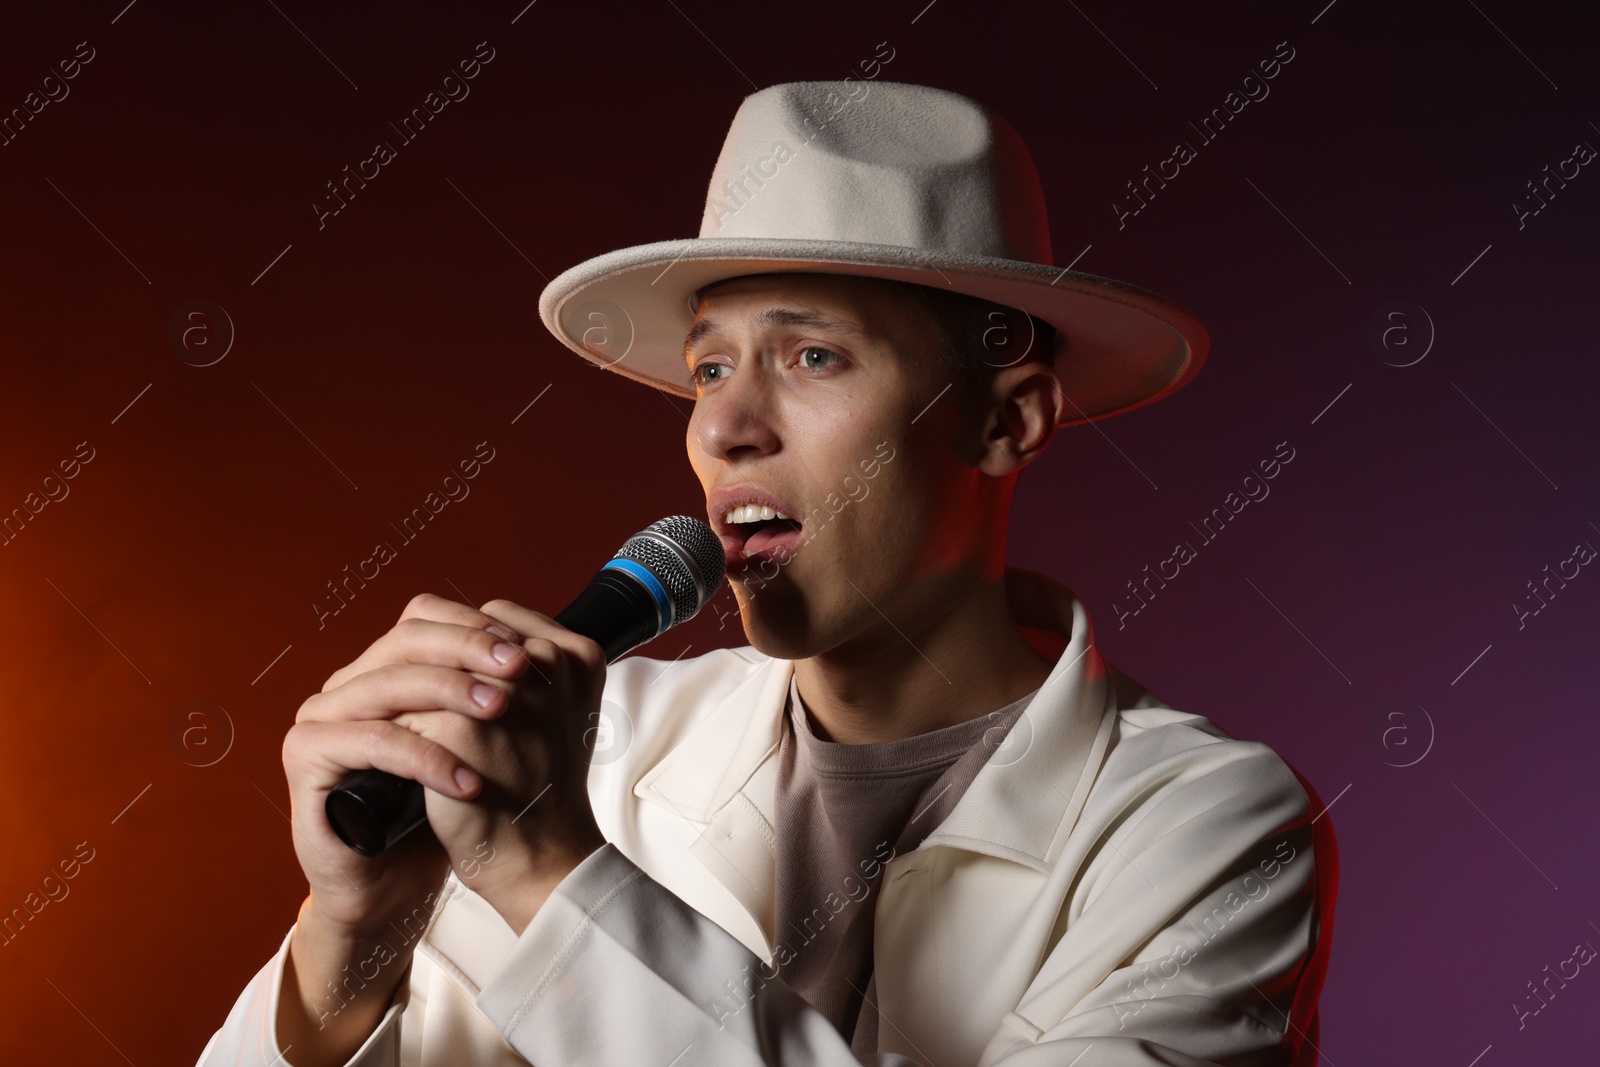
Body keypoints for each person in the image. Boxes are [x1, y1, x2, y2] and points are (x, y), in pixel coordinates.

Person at [198, 80, 1336, 1066]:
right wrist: (344, 956)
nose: (724, 428)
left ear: (1006, 419)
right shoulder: (593, 737)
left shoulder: (1208, 827)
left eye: (812, 355)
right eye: (707, 367)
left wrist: (554, 878)